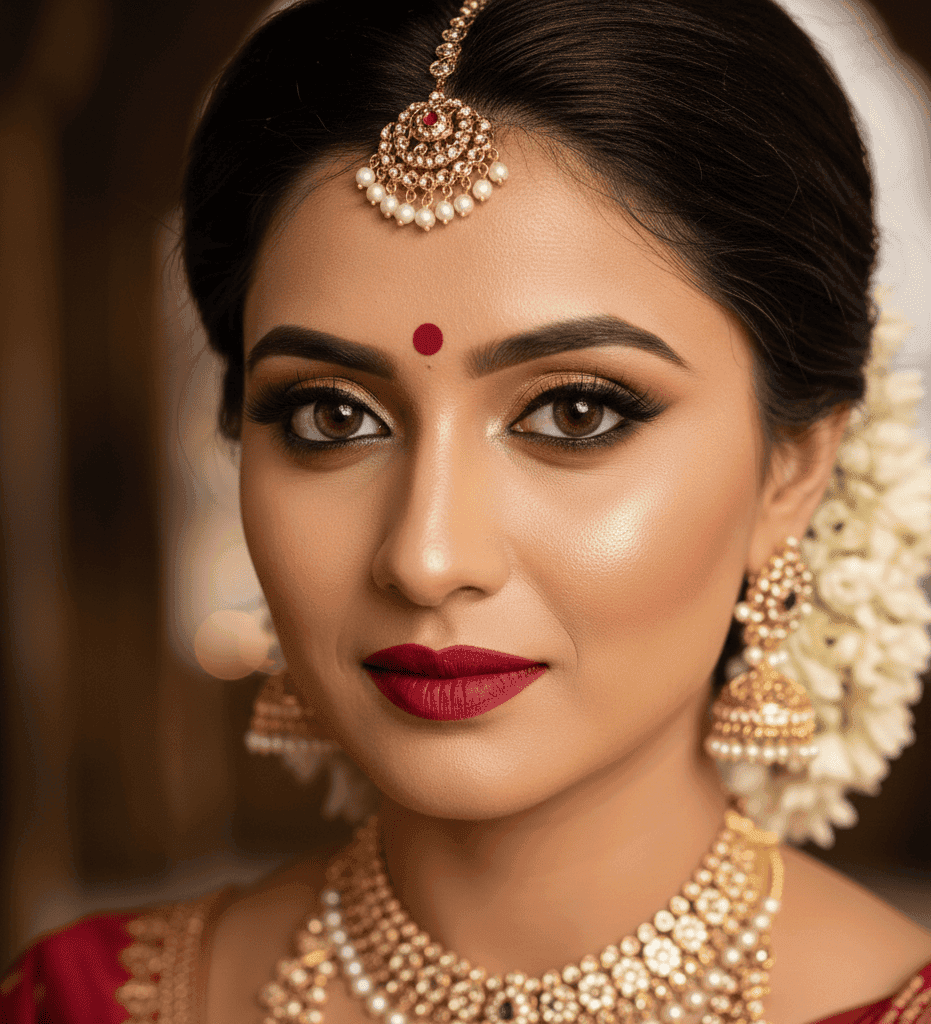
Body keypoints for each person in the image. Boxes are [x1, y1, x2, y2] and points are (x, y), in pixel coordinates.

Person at [4, 0, 931, 1021]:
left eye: (576, 412)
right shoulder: (78, 1001)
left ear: (790, 470)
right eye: (330, 415)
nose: (426, 554)